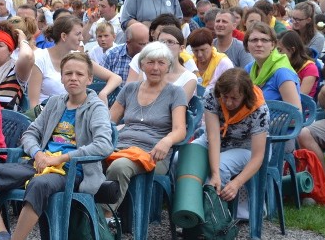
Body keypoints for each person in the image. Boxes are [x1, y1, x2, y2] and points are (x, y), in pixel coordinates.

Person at [0, 52, 114, 240]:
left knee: (39, 185)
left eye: (79, 74)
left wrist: (62, 157)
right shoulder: (54, 103)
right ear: (61, 78)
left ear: (89, 79)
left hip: (72, 171)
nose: (73, 78)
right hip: (39, 164)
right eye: (68, 73)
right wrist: (38, 154)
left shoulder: (96, 107)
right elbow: (30, 134)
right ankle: (3, 233)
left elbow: (104, 144)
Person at [106, 42, 188, 216]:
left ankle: (103, 219)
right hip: (120, 147)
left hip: (153, 154)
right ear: (142, 65)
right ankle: (82, 216)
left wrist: (167, 141)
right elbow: (108, 121)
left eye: (161, 63)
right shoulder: (130, 89)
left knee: (119, 167)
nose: (155, 68)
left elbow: (180, 129)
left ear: (169, 67)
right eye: (150, 62)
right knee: (88, 162)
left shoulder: (175, 93)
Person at [195, 68, 269, 219]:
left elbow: (258, 156)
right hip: (216, 140)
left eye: (235, 98)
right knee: (180, 159)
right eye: (225, 97)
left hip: (245, 148)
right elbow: (213, 136)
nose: (228, 102)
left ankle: (212, 218)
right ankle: (190, 210)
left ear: (245, 95)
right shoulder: (212, 95)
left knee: (221, 166)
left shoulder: (260, 110)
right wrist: (214, 174)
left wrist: (237, 183)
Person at [31, 15, 122, 106]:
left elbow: (116, 78)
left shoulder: (77, 56)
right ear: (64, 36)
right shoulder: (40, 58)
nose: (82, 38)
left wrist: (103, 93)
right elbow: (33, 105)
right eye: (78, 34)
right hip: (46, 114)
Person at [127, 25, 198, 102]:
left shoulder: (189, 78)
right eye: (161, 42)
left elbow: (178, 106)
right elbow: (131, 95)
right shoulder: (145, 65)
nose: (165, 46)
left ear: (181, 48)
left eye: (170, 42)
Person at [244, 22, 301, 107]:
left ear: (273, 45)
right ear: (247, 45)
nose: (259, 44)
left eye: (264, 40)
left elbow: (296, 115)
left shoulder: (282, 73)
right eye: (254, 40)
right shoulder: (249, 68)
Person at [0, 22, 33, 111]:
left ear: (10, 51)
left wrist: (23, 41)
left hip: (6, 123)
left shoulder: (16, 70)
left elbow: (27, 56)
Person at [277, 30, 320, 98]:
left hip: (302, 107)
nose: (277, 54)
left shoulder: (310, 68)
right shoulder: (280, 65)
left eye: (280, 50)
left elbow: (301, 96)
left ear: (292, 50)